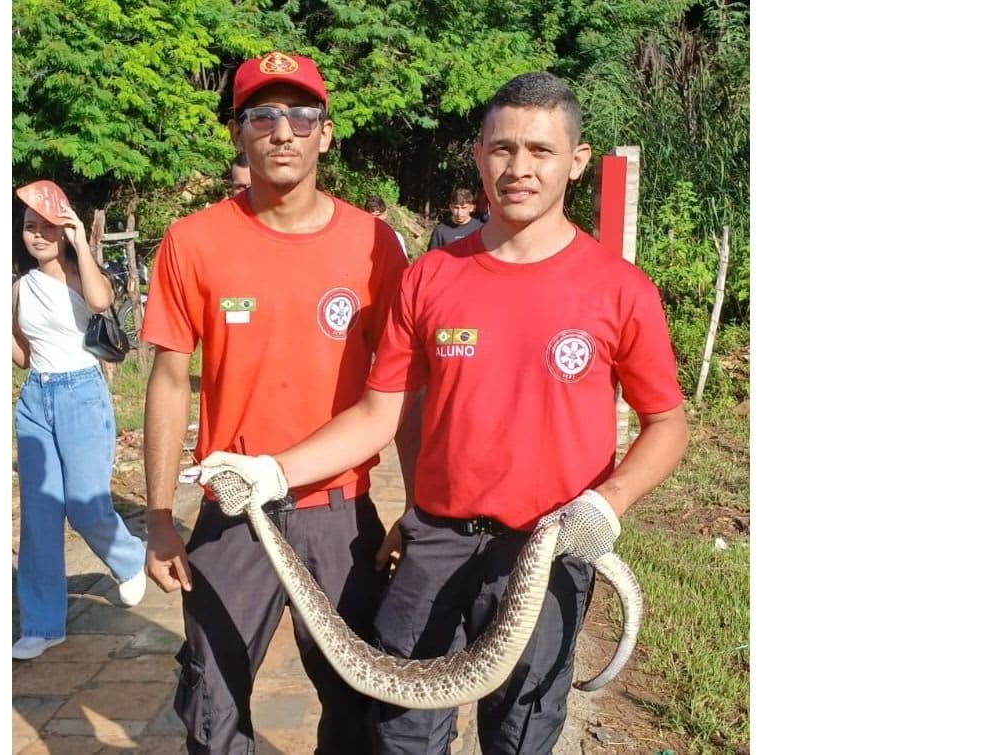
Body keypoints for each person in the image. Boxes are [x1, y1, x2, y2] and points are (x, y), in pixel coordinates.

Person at [196, 72, 690, 754]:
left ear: (576, 161)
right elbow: (377, 412)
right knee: (401, 729)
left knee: (520, 732)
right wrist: (273, 473)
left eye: (541, 151)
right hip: (434, 544)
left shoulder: (620, 290)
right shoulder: (431, 277)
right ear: (479, 154)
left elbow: (667, 422)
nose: (519, 168)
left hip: (544, 548)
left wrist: (610, 503)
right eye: (502, 148)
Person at [139, 50, 413, 754]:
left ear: (326, 133)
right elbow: (169, 380)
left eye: (300, 115)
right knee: (211, 700)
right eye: (262, 114)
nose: (282, 131)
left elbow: (401, 390)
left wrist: (417, 508)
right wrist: (161, 515)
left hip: (339, 515)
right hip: (236, 513)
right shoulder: (193, 242)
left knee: (360, 703)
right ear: (238, 133)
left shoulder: (376, 244)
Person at [11, 179, 148, 661]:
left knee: (85, 503)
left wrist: (78, 242)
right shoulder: (19, 289)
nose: (38, 235)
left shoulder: (77, 276)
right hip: (36, 401)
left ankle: (130, 560)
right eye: (30, 227)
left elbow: (100, 301)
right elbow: (22, 356)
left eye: (48, 226)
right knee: (40, 513)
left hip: (82, 394)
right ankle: (43, 623)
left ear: (64, 227)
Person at [364, 194, 409, 259]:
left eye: (378, 215)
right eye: (370, 216)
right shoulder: (360, 234)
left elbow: (402, 262)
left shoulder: (396, 238)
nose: (374, 220)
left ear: (385, 214)